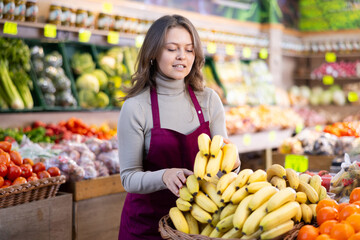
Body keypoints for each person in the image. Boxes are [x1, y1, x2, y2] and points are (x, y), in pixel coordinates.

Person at [117, 14, 240, 240]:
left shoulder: (209, 100)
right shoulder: (136, 107)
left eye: (189, 49)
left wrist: (233, 166)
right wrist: (164, 176)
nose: (182, 56)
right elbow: (129, 178)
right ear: (153, 52)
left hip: (201, 225)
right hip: (146, 226)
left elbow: (222, 167)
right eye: (172, 49)